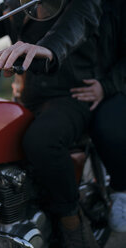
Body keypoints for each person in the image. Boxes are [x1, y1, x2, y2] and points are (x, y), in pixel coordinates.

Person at [0, 0, 102, 247]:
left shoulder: (77, 4)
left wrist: (47, 49)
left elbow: (77, 22)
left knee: (41, 140)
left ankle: (73, 223)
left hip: (70, 96)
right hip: (28, 97)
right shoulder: (14, 6)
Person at [70, 0, 126, 233]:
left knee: (109, 127)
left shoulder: (116, 6)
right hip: (56, 90)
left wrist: (106, 86)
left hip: (110, 84)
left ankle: (122, 190)